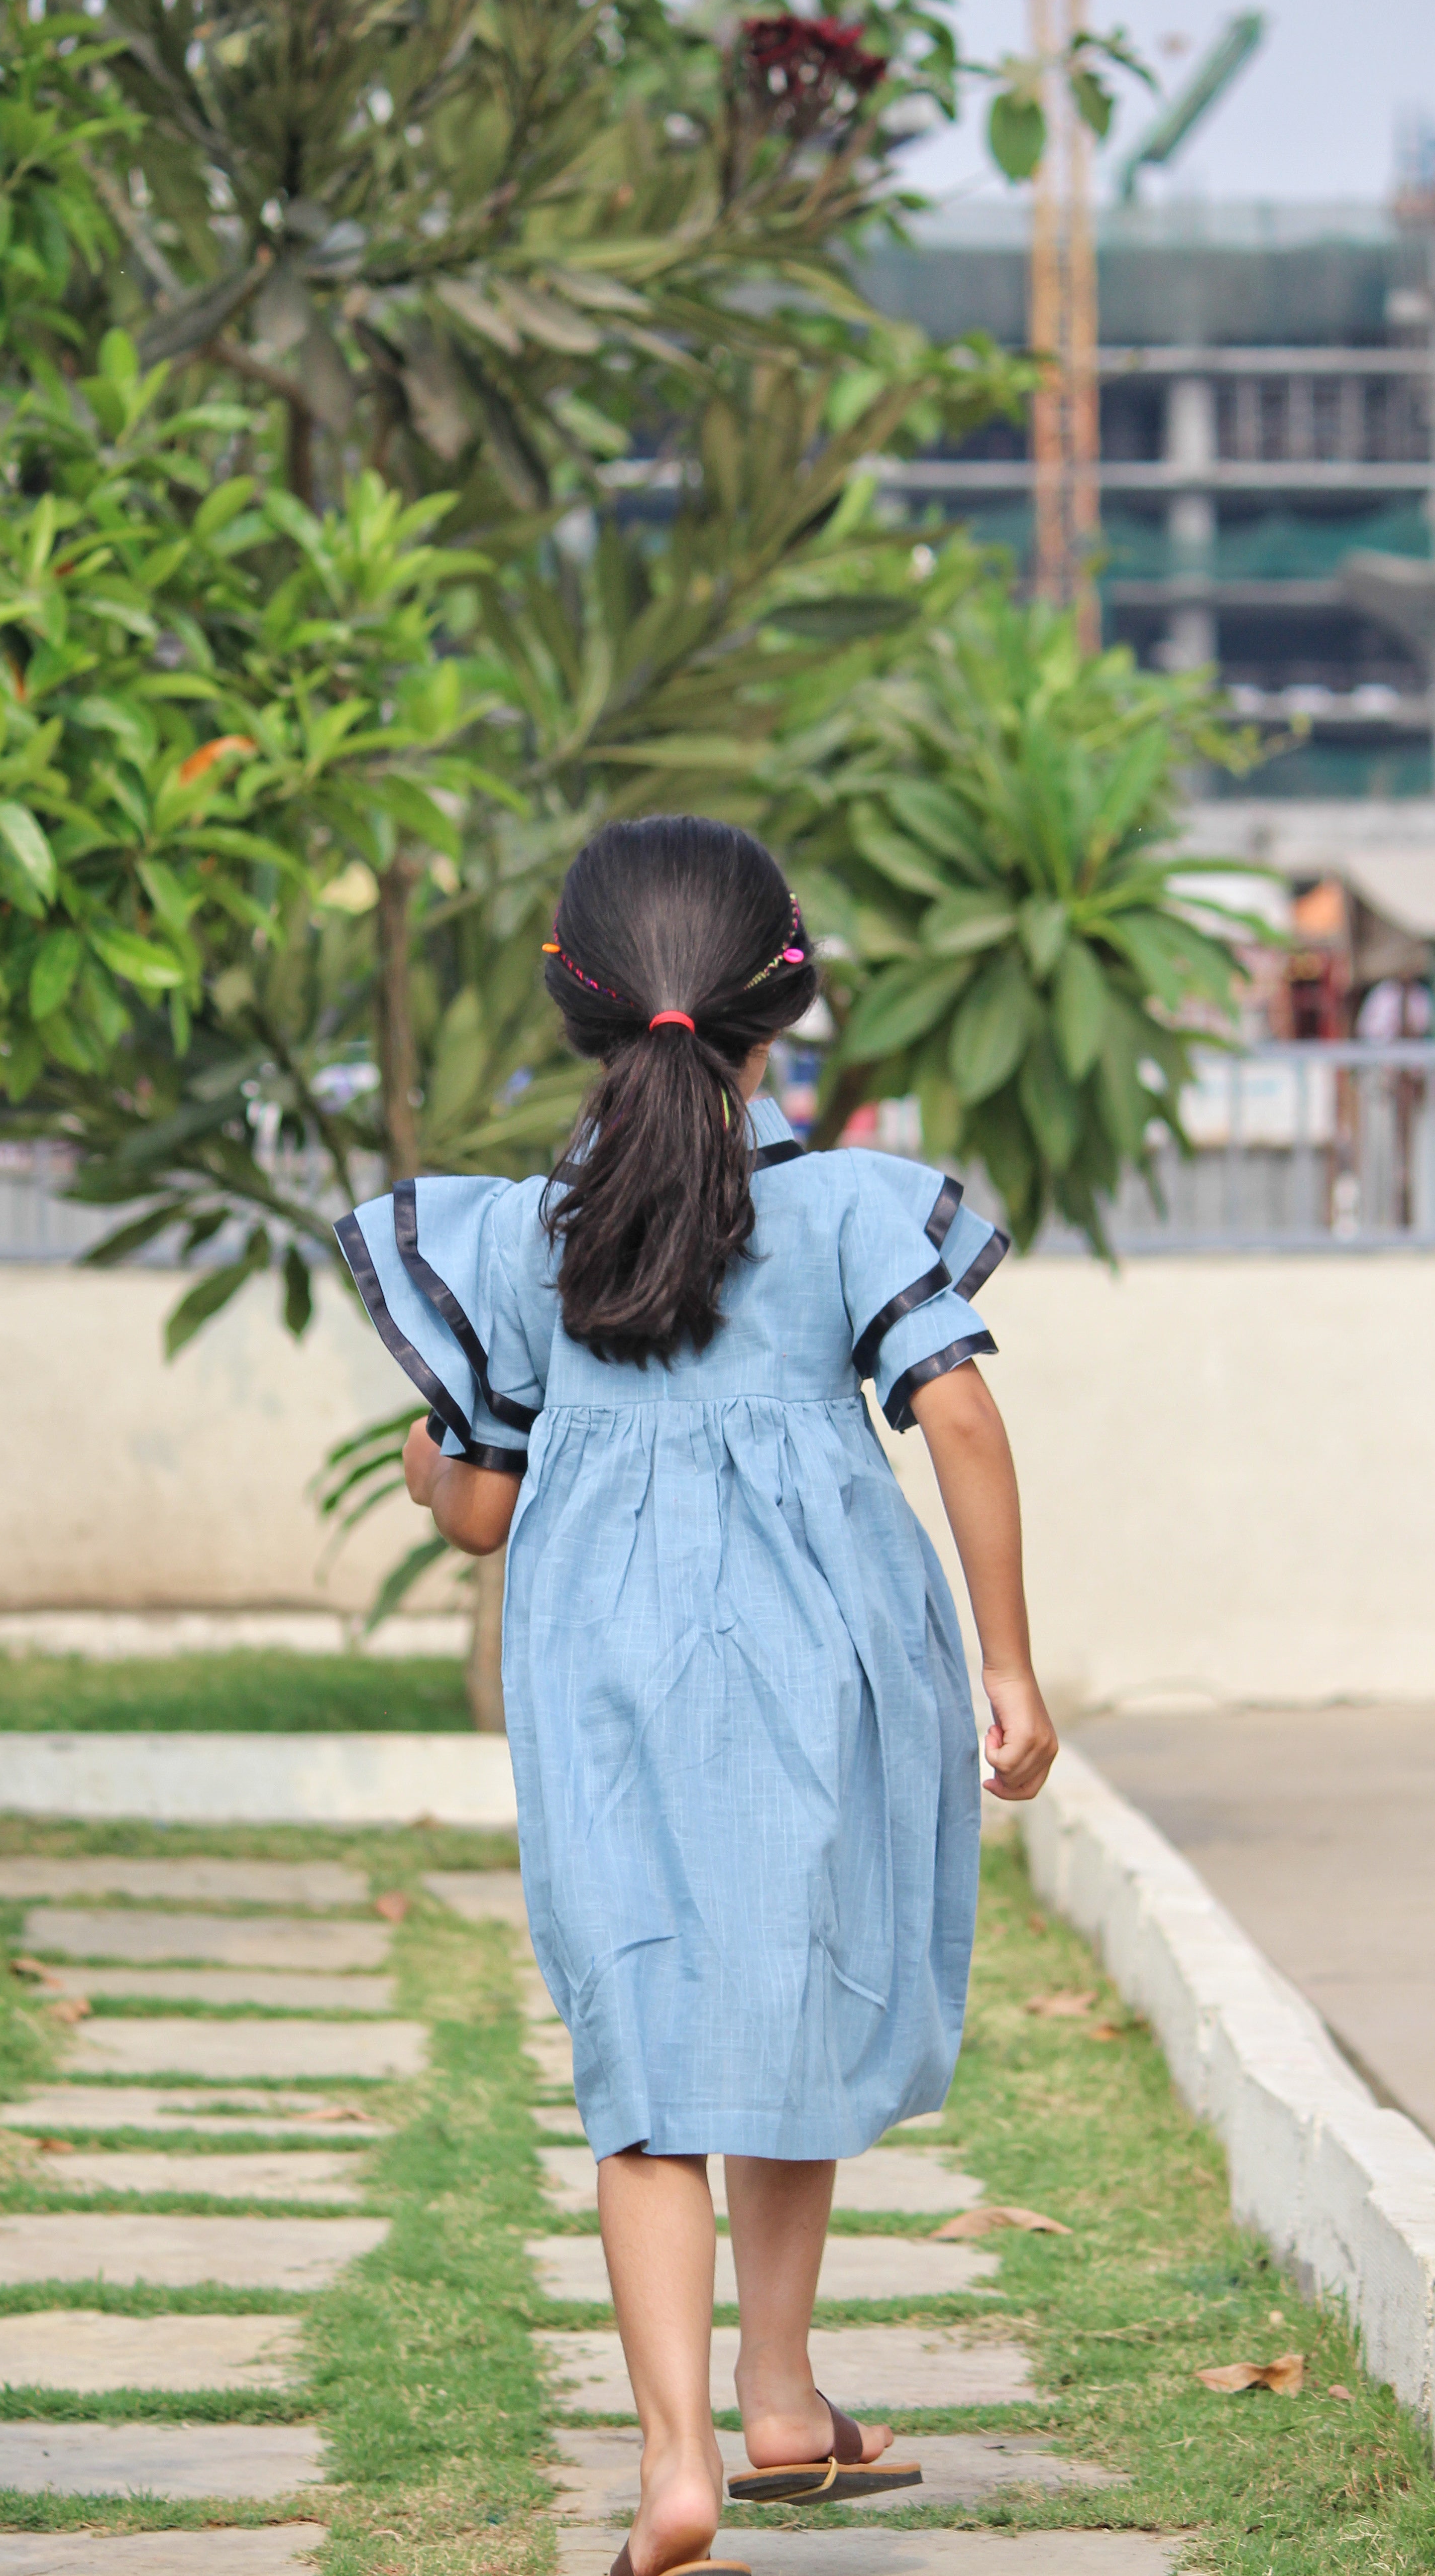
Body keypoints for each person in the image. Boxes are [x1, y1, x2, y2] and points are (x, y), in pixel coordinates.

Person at [336, 816, 1058, 2576]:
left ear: (572, 1003)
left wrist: (438, 1473)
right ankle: (786, 2395)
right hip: (825, 1660)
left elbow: (486, 1505)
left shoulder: (521, 1236)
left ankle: (684, 2461)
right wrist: (1013, 1660)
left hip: (602, 1677)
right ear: (781, 1002)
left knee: (648, 2056)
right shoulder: (842, 1209)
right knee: (790, 2009)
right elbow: (956, 1409)